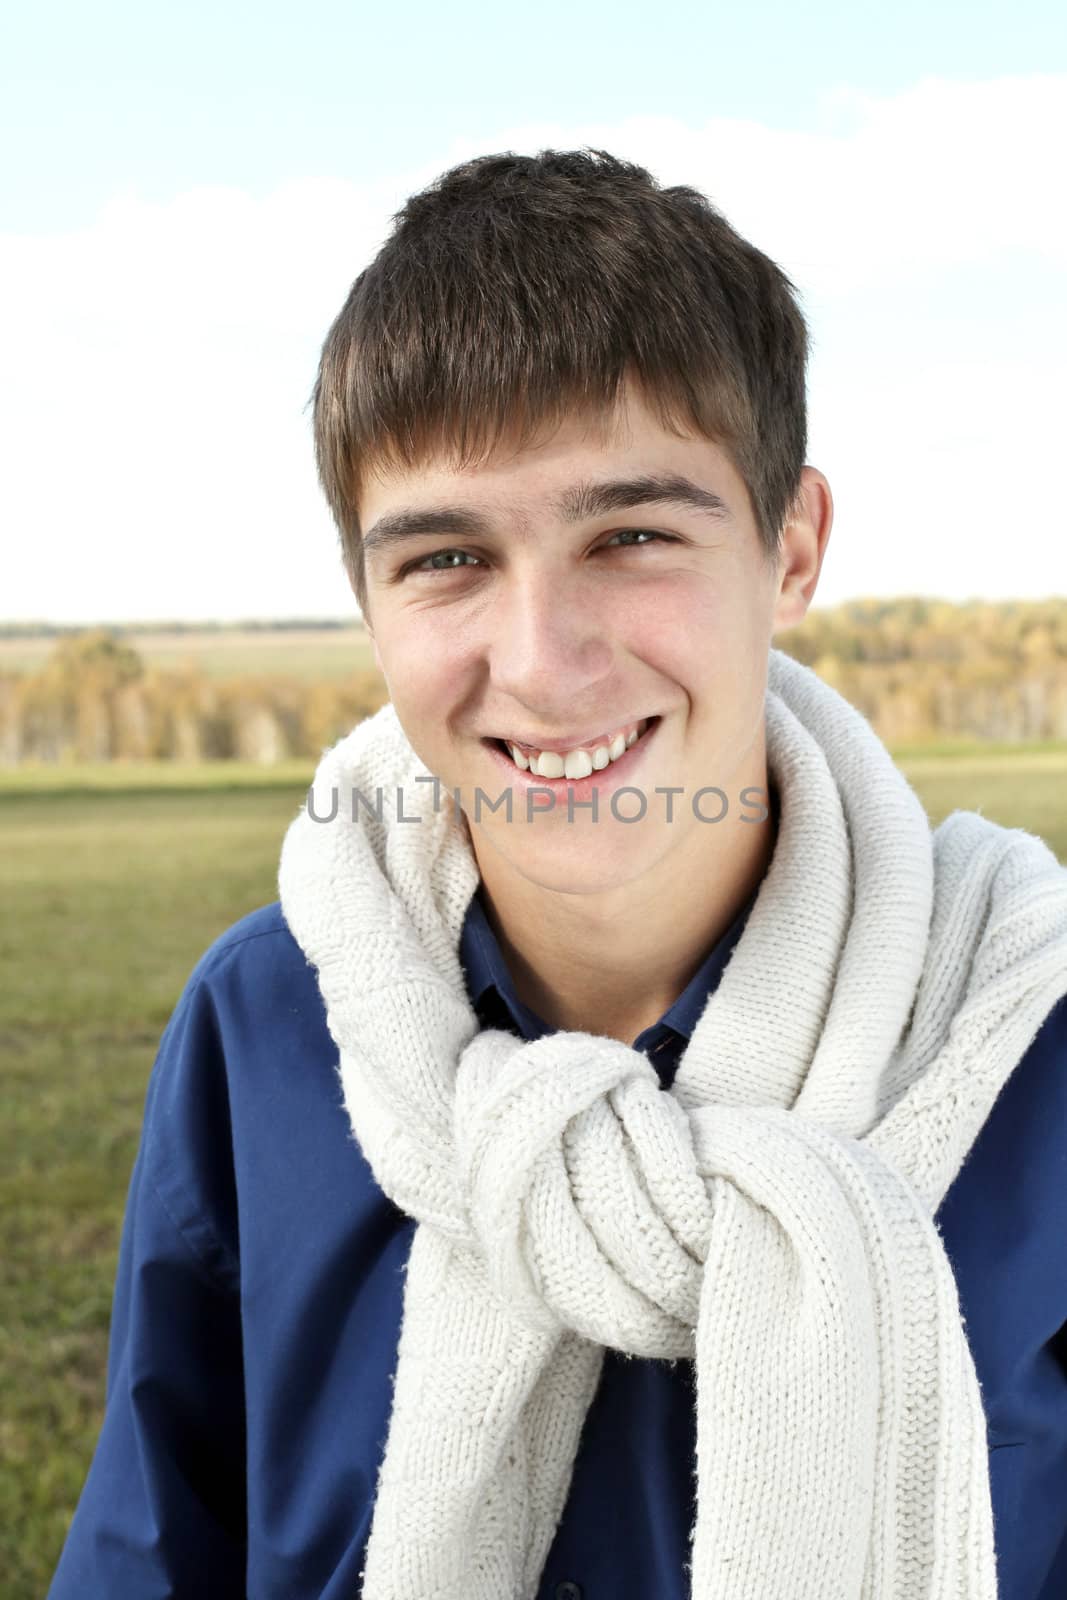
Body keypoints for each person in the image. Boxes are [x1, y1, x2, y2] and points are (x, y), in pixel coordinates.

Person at [48, 149, 1067, 1599]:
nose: (543, 661)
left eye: (633, 534)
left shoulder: (1027, 1042)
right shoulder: (268, 1028)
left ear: (791, 547)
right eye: (448, 559)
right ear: (368, 601)